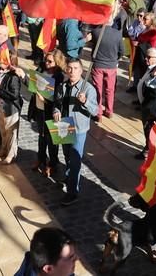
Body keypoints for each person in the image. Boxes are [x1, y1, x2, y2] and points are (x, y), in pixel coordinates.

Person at [52, 58, 98, 206]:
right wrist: (56, 111)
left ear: (81, 70)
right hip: (64, 125)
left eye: (76, 68)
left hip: (79, 128)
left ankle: (72, 192)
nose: (72, 71)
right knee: (66, 155)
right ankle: (68, 177)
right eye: (69, 68)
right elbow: (57, 103)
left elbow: (96, 110)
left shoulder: (89, 89)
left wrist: (85, 102)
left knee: (75, 160)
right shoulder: (62, 86)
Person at [32, 50, 67, 177]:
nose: (46, 63)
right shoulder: (41, 68)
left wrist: (46, 101)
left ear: (57, 62)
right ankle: (40, 158)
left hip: (49, 111)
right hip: (39, 108)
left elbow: (59, 99)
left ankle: (52, 164)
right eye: (46, 60)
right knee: (41, 136)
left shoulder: (59, 77)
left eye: (50, 61)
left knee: (51, 139)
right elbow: (33, 82)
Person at [0, 49, 26, 165]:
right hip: (2, 107)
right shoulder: (1, 72)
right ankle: (4, 149)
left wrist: (0, 90)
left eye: (2, 60)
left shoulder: (13, 76)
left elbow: (14, 95)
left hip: (11, 109)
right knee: (3, 129)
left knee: (11, 132)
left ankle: (11, 154)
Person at [90, 24, 124, 123]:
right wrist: (115, 59)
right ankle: (109, 111)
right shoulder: (117, 34)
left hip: (98, 64)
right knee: (110, 89)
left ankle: (98, 113)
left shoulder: (96, 32)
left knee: (97, 89)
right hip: (111, 66)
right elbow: (122, 51)